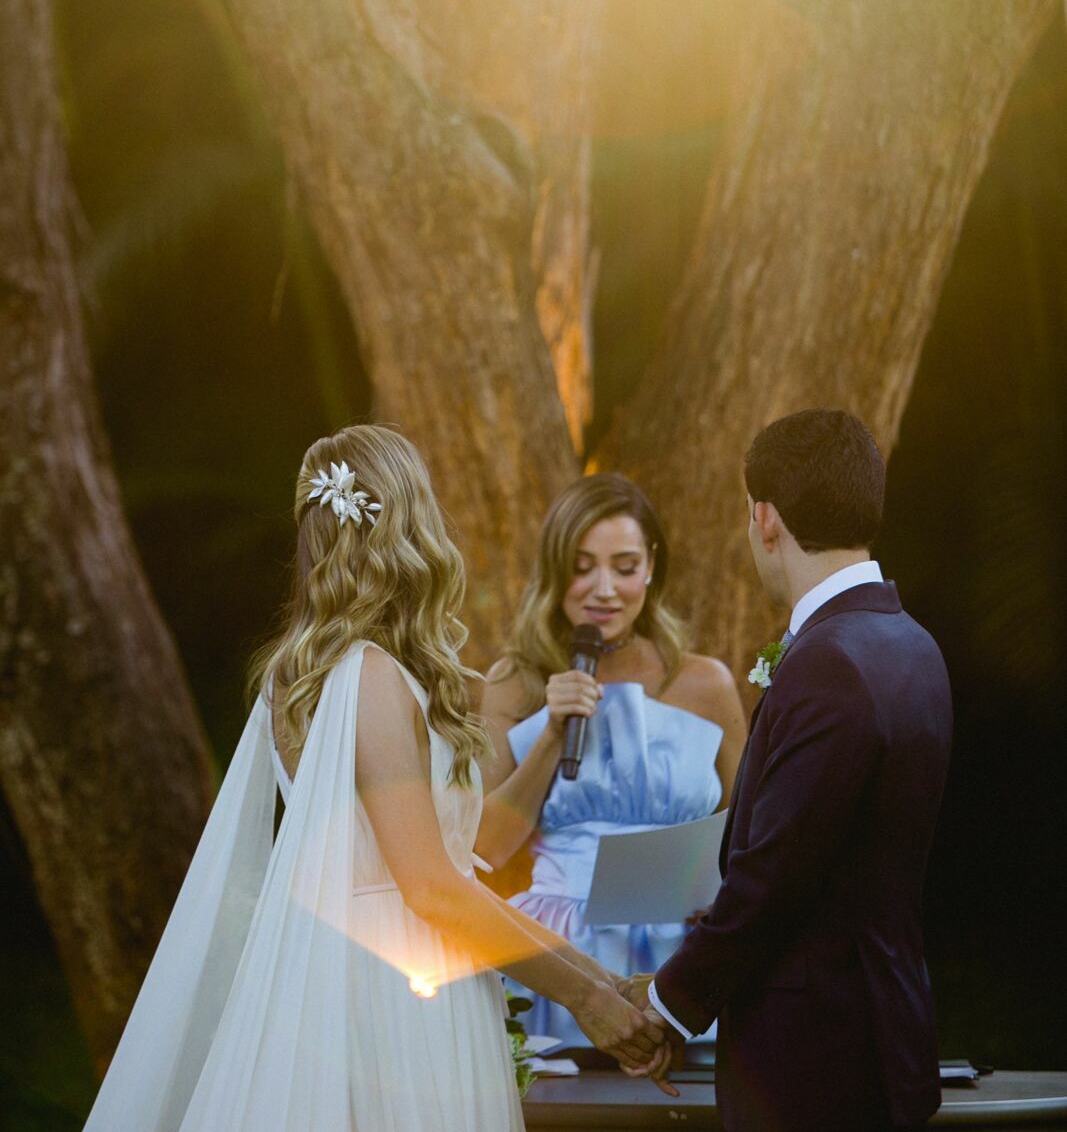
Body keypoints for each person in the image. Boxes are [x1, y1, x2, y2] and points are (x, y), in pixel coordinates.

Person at [82, 425, 665, 1132]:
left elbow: (453, 874)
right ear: (409, 521)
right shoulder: (371, 676)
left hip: (359, 980)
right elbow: (431, 887)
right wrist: (582, 1000)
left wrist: (600, 979)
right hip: (386, 1002)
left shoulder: (301, 675)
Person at [633, 409, 953, 1132]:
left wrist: (664, 1006)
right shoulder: (912, 645)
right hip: (883, 1029)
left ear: (765, 518)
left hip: (811, 1061)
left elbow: (772, 876)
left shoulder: (828, 663)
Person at [477, 472, 747, 1048]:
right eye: (582, 566)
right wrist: (552, 733)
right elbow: (485, 847)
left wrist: (720, 898)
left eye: (624, 567)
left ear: (650, 565)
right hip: (562, 952)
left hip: (682, 954)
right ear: (555, 569)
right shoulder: (512, 682)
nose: (604, 588)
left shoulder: (706, 684)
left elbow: (752, 831)